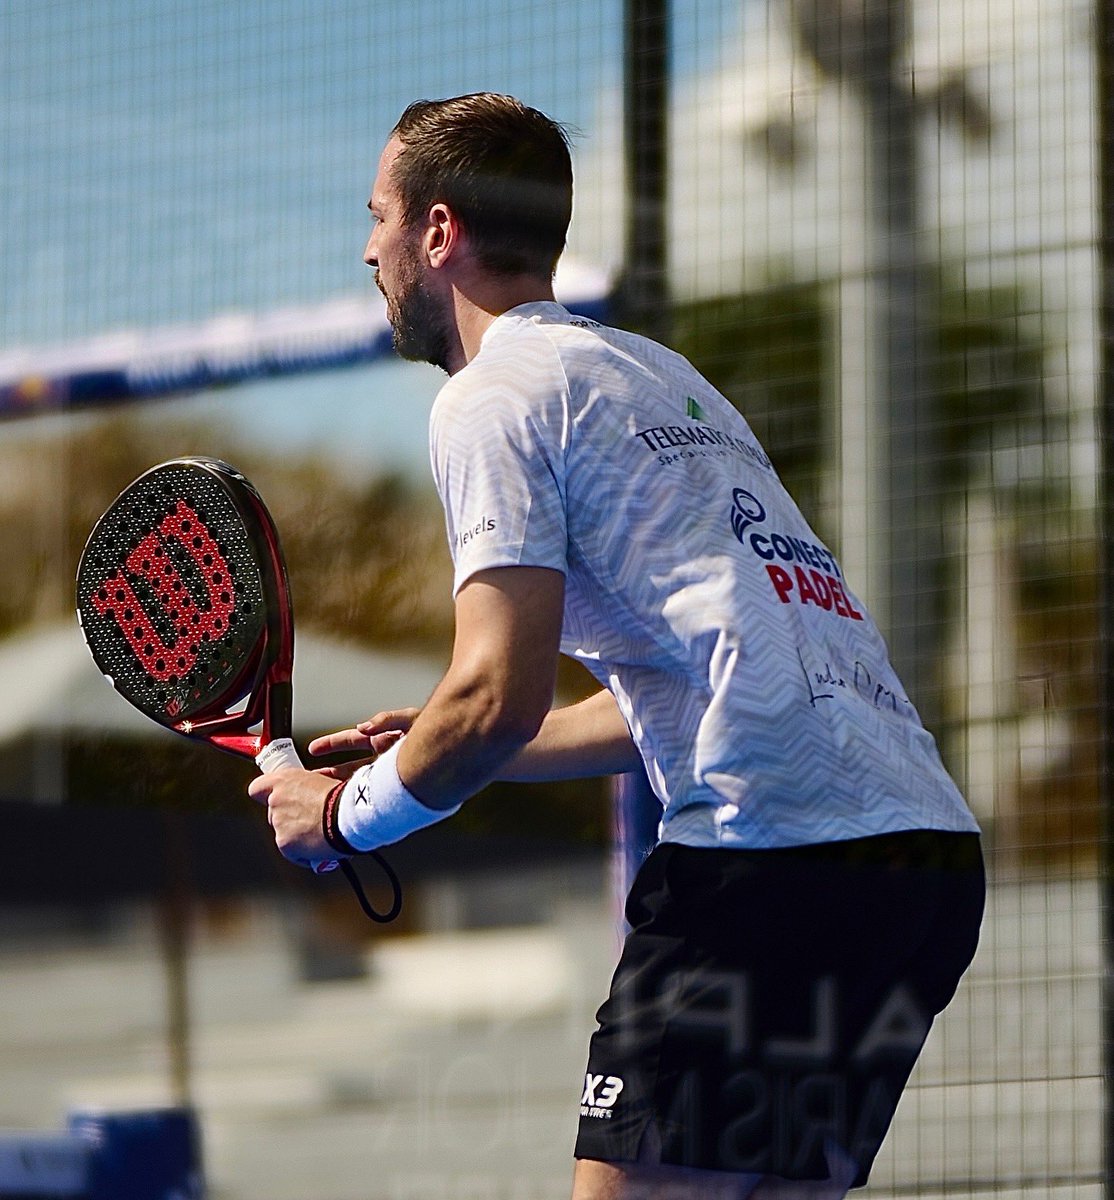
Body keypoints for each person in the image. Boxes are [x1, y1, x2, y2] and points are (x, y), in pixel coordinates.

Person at [250, 92, 985, 1199]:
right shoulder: (662, 377)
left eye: (378, 216)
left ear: (438, 232)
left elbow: (489, 695)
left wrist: (345, 816)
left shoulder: (489, 399)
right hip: (918, 864)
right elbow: (702, 678)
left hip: (766, 858)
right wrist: (460, 746)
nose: (368, 250)